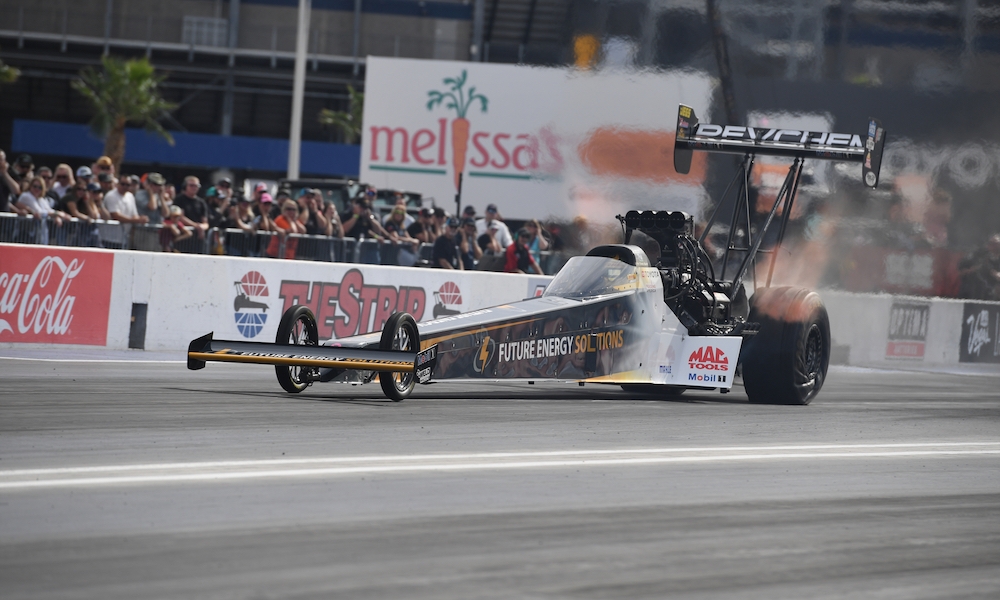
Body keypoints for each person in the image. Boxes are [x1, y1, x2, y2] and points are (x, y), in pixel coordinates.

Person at [959, 234, 1000, 301]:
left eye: (996, 244)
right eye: (991, 244)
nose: (994, 246)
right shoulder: (980, 257)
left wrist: (993, 272)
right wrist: (972, 269)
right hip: (977, 293)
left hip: (993, 295)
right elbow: (962, 271)